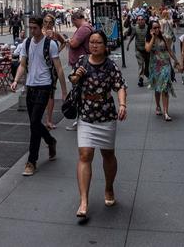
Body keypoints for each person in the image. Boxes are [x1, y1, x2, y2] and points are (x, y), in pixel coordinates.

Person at [69, 28, 126, 223]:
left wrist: (123, 105)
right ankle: (83, 201)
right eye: (91, 42)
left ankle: (109, 187)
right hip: (86, 114)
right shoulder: (82, 61)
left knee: (107, 154)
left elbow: (119, 86)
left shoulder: (111, 66)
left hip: (106, 115)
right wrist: (77, 75)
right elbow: (73, 80)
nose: (94, 45)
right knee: (85, 155)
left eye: (98, 42)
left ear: (105, 45)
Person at [14, 15, 67, 175]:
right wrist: (16, 80)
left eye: (34, 28)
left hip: (44, 85)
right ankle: (50, 141)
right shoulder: (27, 43)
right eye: (30, 28)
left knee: (35, 122)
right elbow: (23, 64)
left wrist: (64, 91)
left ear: (40, 27)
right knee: (34, 123)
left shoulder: (50, 44)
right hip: (30, 86)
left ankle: (31, 161)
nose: (32, 30)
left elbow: (59, 68)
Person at [63, 12, 94, 131]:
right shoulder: (87, 27)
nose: (73, 24)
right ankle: (83, 120)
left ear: (76, 19)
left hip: (80, 66)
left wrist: (68, 40)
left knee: (78, 93)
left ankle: (81, 121)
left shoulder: (83, 29)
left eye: (73, 21)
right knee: (80, 92)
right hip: (81, 64)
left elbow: (74, 43)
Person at [145, 19, 179, 120]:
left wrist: (176, 61)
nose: (157, 29)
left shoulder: (163, 37)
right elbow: (148, 49)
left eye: (158, 27)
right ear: (151, 29)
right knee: (157, 88)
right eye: (155, 28)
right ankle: (158, 106)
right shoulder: (148, 39)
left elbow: (169, 50)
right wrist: (153, 37)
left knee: (165, 87)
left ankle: (166, 112)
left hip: (165, 65)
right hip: (155, 66)